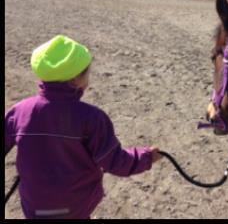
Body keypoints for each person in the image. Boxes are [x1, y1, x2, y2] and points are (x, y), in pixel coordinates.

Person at [5, 34, 162, 219]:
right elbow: (115, 162)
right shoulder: (92, 118)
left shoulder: (19, 112)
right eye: (87, 72)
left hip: (35, 207)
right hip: (75, 207)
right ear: (76, 79)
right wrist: (147, 157)